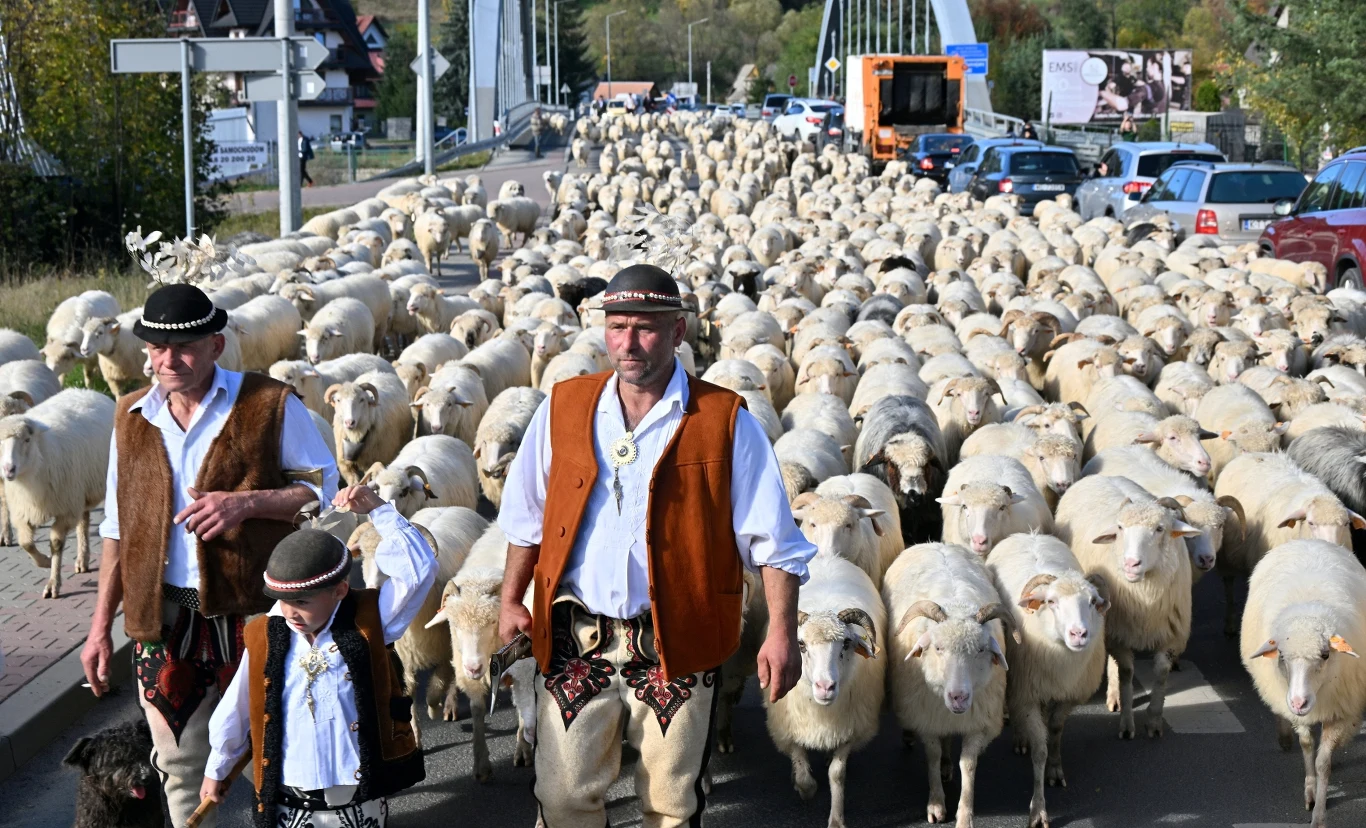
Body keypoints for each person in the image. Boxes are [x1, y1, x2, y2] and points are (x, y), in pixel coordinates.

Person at [497, 263, 817, 828]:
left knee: (670, 804)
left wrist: (781, 632)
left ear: (678, 331)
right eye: (617, 327)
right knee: (563, 795)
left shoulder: (724, 421)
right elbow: (527, 516)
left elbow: (774, 541)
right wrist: (510, 598)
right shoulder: (563, 407)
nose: (628, 343)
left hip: (678, 636)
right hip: (577, 634)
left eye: (645, 328)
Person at [80, 282, 339, 828]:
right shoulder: (131, 416)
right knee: (178, 763)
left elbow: (321, 490)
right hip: (165, 615)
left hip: (255, 610)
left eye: (185, 347)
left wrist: (247, 503)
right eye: (157, 348)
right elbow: (116, 529)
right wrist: (100, 626)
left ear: (216, 345)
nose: (169, 361)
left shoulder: (268, 404)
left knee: (275, 747)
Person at [200, 483, 435, 828]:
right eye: (283, 601)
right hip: (290, 803)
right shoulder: (265, 636)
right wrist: (217, 768)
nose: (291, 612)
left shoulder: (369, 622)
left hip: (357, 801)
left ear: (339, 590)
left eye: (303, 601)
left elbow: (417, 571)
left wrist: (378, 509)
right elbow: (237, 707)